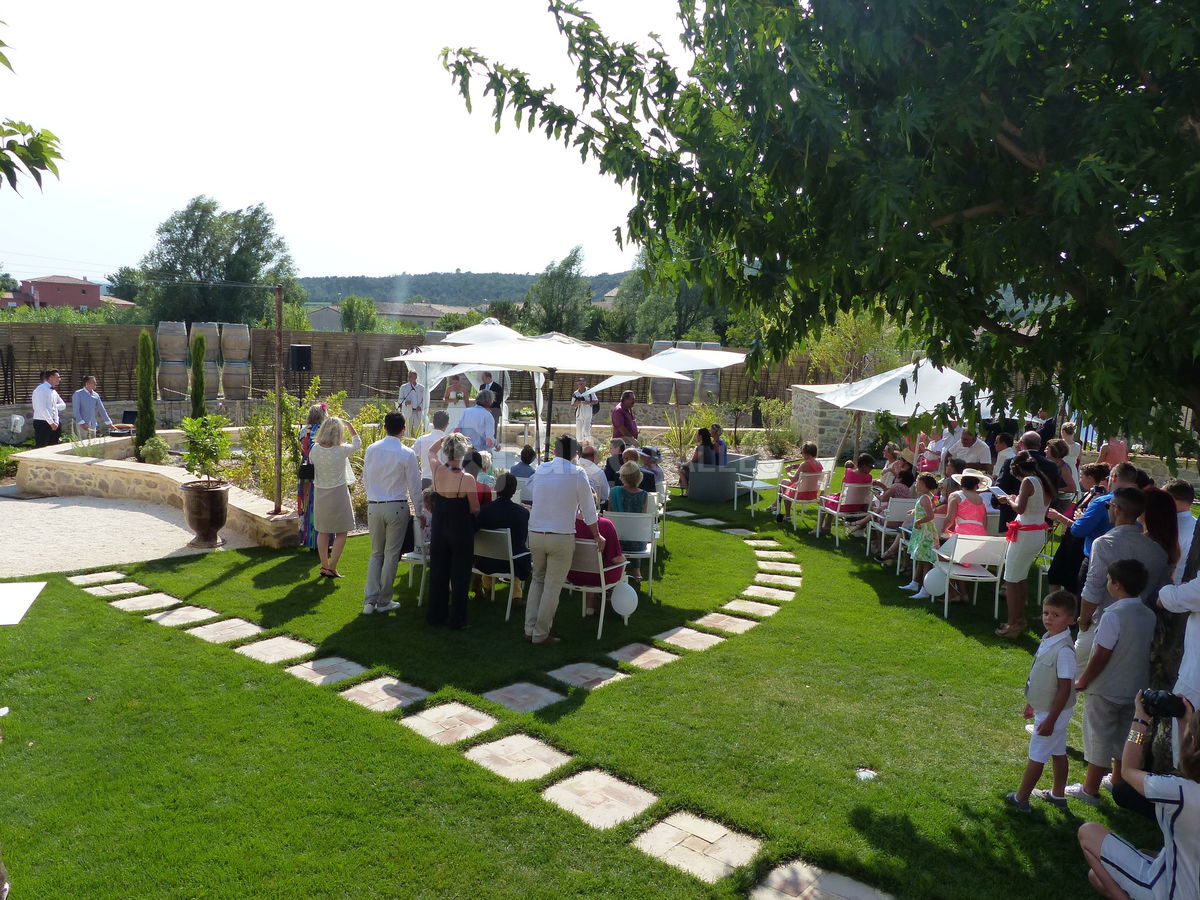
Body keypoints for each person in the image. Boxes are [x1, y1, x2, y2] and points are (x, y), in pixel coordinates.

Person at [1078, 693, 1200, 900]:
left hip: (1171, 893)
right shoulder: (1185, 789)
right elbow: (1190, 771)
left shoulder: (1179, 792)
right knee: (1100, 875)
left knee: (1088, 832)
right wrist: (1184, 723)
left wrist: (1140, 720)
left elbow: (1127, 771)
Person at [1068, 559, 1156, 807]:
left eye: (1108, 580)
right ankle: (1117, 779)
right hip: (1135, 689)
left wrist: (1084, 679)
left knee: (1099, 737)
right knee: (1125, 736)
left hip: (1106, 688)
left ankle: (1090, 789)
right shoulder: (1148, 615)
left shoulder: (1112, 616)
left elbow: (1102, 654)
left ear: (1117, 585)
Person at [524, 434, 604, 644]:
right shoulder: (577, 473)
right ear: (576, 454)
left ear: (555, 452)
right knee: (551, 585)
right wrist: (597, 535)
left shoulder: (541, 469)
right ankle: (540, 633)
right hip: (560, 536)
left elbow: (533, 494)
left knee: (537, 580)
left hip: (536, 532)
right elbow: (589, 509)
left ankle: (530, 628)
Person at [1006, 590, 1078, 811]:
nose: (1048, 618)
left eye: (1055, 615)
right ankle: (1057, 794)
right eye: (1046, 613)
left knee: (1037, 755)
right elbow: (1040, 677)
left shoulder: (1064, 651)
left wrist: (1050, 720)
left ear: (1071, 620)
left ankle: (1021, 799)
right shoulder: (1048, 639)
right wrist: (1032, 703)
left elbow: (1065, 689)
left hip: (1053, 713)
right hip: (1047, 709)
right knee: (1057, 751)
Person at [361, 411, 421, 615]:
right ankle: (383, 600)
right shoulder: (407, 453)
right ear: (403, 429)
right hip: (396, 505)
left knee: (376, 553)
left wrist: (372, 496)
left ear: (385, 427)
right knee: (391, 554)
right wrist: (420, 511)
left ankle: (370, 600)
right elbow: (415, 486)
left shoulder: (371, 449)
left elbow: (365, 478)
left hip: (374, 505)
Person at [994, 450, 1055, 637]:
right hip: (1036, 533)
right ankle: (1019, 619)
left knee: (1011, 579)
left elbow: (1020, 509)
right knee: (1020, 577)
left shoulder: (1029, 481)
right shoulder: (1043, 481)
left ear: (1018, 469)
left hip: (1025, 534)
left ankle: (1014, 623)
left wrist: (1009, 501)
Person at [425, 433, 479, 629]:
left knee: (438, 572)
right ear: (463, 453)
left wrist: (448, 437)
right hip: (460, 528)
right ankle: (458, 619)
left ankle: (436, 616)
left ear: (446, 451)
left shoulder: (437, 469)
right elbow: (474, 508)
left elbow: (431, 450)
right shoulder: (467, 478)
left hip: (440, 527)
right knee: (460, 575)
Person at [1044, 462, 1111, 593]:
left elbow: (1083, 524)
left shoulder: (1098, 498)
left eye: (1082, 476)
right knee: (1054, 574)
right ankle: (1055, 607)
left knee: (1071, 582)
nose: (1080, 480)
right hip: (1070, 539)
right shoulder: (1088, 494)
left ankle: (1068, 611)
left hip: (1079, 543)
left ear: (1090, 478)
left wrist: (1059, 517)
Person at [308, 416, 360, 578]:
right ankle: (332, 567)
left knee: (323, 531)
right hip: (338, 493)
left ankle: (325, 566)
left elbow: (311, 462)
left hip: (320, 492)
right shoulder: (341, 450)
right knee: (341, 532)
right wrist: (350, 425)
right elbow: (357, 443)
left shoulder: (315, 449)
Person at [474, 471, 531, 596]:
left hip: (486, 562)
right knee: (522, 550)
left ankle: (488, 586)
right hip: (512, 564)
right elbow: (521, 540)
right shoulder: (522, 513)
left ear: (496, 488)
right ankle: (517, 595)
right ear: (514, 490)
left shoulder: (484, 511)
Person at [571, 511, 626, 615]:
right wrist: (624, 558)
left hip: (573, 575)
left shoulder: (568, 523)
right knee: (621, 564)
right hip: (599, 577)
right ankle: (621, 608)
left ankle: (590, 605)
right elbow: (615, 558)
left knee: (591, 566)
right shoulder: (605, 524)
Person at [610, 460, 652, 580]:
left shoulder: (614, 492)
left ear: (622, 476)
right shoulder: (644, 495)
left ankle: (616, 571)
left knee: (624, 531)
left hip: (616, 542)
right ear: (639, 477)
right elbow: (641, 521)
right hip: (637, 544)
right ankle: (637, 571)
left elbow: (610, 518)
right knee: (635, 532)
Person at [901, 473, 940, 598]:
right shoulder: (928, 496)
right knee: (921, 558)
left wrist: (918, 521)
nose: (916, 484)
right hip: (923, 531)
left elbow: (930, 515)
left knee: (926, 560)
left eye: (918, 482)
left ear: (925, 485)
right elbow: (928, 509)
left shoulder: (925, 498)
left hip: (925, 532)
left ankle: (925, 589)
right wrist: (915, 511)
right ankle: (915, 583)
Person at [296, 403, 328, 551]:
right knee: (321, 506)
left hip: (305, 470)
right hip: (320, 471)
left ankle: (307, 539)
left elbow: (302, 449)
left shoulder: (303, 430)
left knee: (307, 504)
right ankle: (322, 542)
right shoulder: (324, 430)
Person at [773, 442, 822, 523]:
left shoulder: (804, 464)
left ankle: (787, 515)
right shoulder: (818, 463)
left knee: (784, 490)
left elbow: (793, 479)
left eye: (802, 452)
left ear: (806, 453)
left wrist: (788, 472)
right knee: (784, 482)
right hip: (813, 493)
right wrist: (794, 466)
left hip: (801, 493)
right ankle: (775, 505)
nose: (801, 454)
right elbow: (807, 467)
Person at [1164, 479, 1198, 584]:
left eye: (1163, 498)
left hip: (1168, 587)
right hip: (1189, 586)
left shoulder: (1169, 527)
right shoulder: (1195, 524)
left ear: (1171, 499)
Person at [412, 410, 448, 487]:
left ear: (433, 422)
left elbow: (410, 455)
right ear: (446, 425)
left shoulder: (421, 439)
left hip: (425, 481)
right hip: (443, 482)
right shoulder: (450, 441)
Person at [31, 369, 66, 447]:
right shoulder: (41, 389)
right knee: (42, 447)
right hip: (42, 422)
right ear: (51, 377)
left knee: (53, 447)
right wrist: (51, 423)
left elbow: (62, 405)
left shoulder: (53, 391)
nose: (59, 379)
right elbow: (42, 408)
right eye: (58, 377)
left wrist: (56, 421)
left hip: (54, 423)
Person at [1046, 437, 1079, 508]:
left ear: (1054, 451)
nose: (1045, 450)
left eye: (1047, 449)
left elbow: (1072, 488)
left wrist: (1055, 489)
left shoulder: (1063, 468)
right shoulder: (1049, 464)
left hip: (1060, 503)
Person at [571, 377, 599, 445]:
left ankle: (588, 445)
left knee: (586, 431)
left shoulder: (590, 391)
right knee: (579, 433)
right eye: (580, 384)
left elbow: (596, 401)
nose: (581, 385)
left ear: (585, 383)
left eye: (582, 384)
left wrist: (588, 403)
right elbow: (573, 405)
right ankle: (580, 448)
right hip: (579, 415)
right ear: (578, 384)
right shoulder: (576, 393)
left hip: (588, 414)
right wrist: (577, 403)